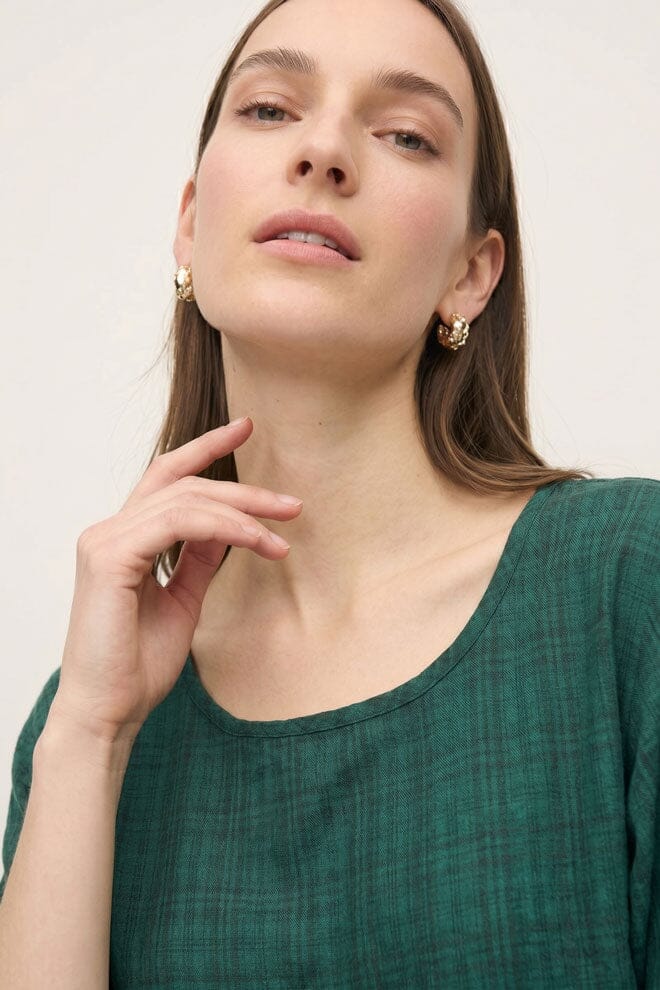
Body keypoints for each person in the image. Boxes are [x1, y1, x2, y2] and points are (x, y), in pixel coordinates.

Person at [0, 0, 657, 985]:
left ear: (471, 275)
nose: (323, 152)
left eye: (406, 135)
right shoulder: (93, 712)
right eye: (270, 109)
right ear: (191, 224)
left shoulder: (625, 586)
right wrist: (88, 740)